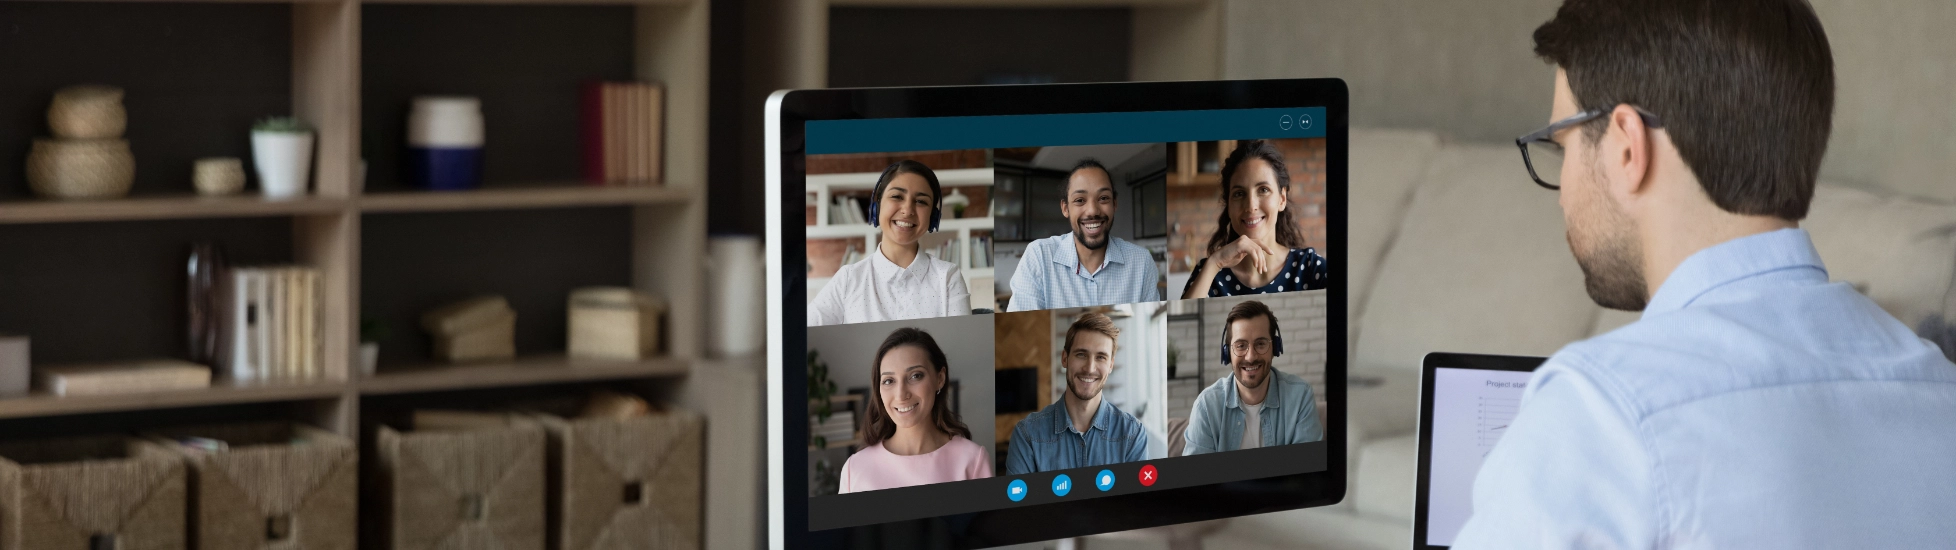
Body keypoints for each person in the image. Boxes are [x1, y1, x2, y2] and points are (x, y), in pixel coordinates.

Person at [1455, 0, 1956, 547]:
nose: (1563, 196)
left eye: (1562, 147)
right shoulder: (1939, 395)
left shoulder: (1603, 414)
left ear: (1627, 145)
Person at [809, 160, 971, 326]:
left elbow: (964, 344)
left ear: (933, 217)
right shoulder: (849, 279)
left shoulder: (948, 277)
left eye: (921, 201)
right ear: (877, 206)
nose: (907, 210)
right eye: (897, 197)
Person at [838, 327, 992, 493]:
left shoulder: (972, 460)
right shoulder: (855, 468)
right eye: (889, 381)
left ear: (940, 378)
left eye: (915, 376)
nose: (901, 394)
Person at [1180, 140, 1328, 299]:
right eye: (1239, 193)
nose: (1251, 206)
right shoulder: (1209, 272)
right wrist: (1215, 263)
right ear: (1228, 205)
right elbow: (1180, 323)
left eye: (1263, 190)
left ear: (1282, 199)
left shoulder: (1311, 268)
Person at [1008, 159, 1163, 311]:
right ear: (1065, 208)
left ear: (1114, 204)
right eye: (1080, 200)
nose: (1093, 211)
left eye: (1103, 198)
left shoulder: (1142, 262)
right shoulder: (1038, 257)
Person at [1005, 312, 1148, 474]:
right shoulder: (1027, 435)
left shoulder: (1132, 434)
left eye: (1101, 357)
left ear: (1110, 365)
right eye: (1081, 354)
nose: (1089, 368)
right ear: (1065, 358)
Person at [1181, 300, 1322, 455]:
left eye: (1260, 344)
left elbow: (1307, 473)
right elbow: (1197, 476)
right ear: (1228, 353)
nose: (1251, 357)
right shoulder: (1206, 406)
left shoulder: (1301, 397)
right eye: (1241, 345)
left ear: (1274, 347)